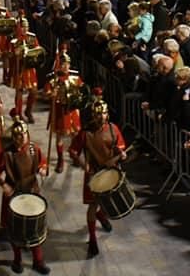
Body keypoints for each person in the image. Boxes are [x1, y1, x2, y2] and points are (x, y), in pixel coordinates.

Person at [0, 115, 50, 274]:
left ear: (27, 134)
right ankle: (17, 259)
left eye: (22, 135)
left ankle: (38, 261)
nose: (20, 138)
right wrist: (4, 184)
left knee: (35, 228)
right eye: (16, 135)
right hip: (14, 194)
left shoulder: (33, 149)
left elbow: (43, 162)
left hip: (31, 192)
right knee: (15, 230)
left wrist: (43, 168)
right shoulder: (7, 153)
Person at [68, 95, 127, 258]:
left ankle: (102, 216)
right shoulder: (85, 133)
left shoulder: (113, 129)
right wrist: (83, 164)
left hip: (110, 173)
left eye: (104, 114)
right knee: (93, 206)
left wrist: (121, 154)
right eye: (98, 114)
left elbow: (119, 147)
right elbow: (72, 151)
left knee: (107, 203)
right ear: (93, 115)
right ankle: (93, 239)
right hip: (94, 175)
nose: (101, 117)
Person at [44, 52, 83, 174]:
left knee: (76, 134)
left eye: (67, 64)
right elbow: (46, 93)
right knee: (60, 135)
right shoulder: (53, 79)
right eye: (62, 64)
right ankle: (60, 159)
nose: (65, 66)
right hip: (60, 109)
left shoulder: (75, 77)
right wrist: (52, 94)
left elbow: (81, 90)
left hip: (72, 109)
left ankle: (74, 153)